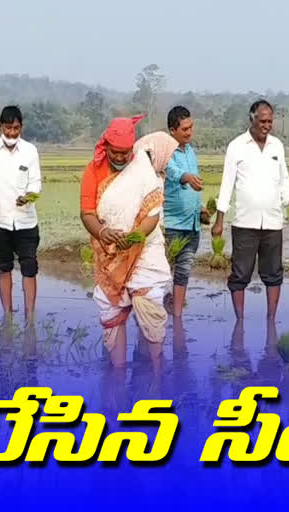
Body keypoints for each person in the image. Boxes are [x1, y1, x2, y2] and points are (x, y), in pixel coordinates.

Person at [79, 116, 172, 368]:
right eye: (115, 152)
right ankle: (117, 374)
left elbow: (153, 211)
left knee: (149, 304)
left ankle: (156, 373)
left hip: (144, 250)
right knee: (113, 310)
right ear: (105, 146)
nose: (120, 158)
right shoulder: (94, 170)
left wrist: (137, 236)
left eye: (125, 153)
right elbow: (87, 213)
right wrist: (102, 232)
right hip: (110, 252)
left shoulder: (142, 167)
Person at [212, 100, 289, 320]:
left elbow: (283, 180)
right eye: (262, 121)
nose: (267, 125)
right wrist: (220, 219)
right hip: (244, 222)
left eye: (270, 121)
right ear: (251, 119)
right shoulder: (236, 146)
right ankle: (239, 321)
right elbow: (227, 184)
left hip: (272, 222)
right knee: (240, 274)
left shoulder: (276, 146)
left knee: (273, 274)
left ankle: (271, 319)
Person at [0, 105, 42, 324]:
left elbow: (36, 184)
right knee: (4, 267)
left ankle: (30, 317)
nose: (12, 133)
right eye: (7, 128)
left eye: (16, 128)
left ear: (21, 127)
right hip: (0, 220)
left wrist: (29, 197)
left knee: (29, 268)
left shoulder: (30, 151)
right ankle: (7, 316)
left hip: (26, 221)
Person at [156, 106, 209, 317]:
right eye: (185, 129)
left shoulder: (190, 151)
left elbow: (195, 181)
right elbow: (170, 170)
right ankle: (154, 312)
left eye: (191, 127)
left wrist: (201, 207)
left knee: (183, 271)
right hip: (172, 224)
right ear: (172, 130)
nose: (189, 132)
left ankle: (177, 317)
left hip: (192, 224)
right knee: (161, 271)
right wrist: (185, 177)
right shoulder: (165, 152)